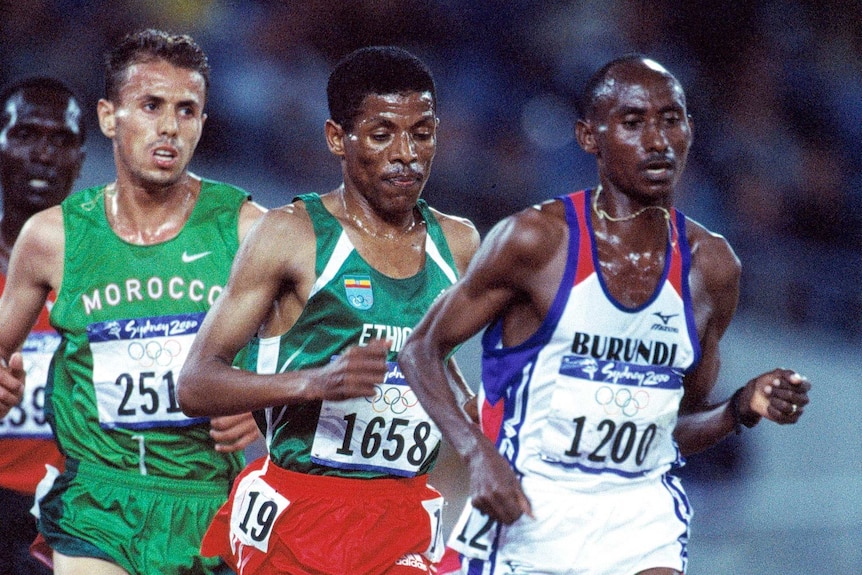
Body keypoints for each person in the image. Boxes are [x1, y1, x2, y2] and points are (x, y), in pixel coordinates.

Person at [398, 54, 812, 575]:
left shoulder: (713, 268)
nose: (658, 140)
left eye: (671, 119)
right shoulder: (537, 240)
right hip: (530, 509)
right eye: (634, 122)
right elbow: (420, 350)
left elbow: (673, 428)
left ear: (690, 130)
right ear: (589, 136)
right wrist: (477, 455)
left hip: (640, 515)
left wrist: (742, 407)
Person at [177, 45, 480, 575]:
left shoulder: (458, 243)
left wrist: (469, 410)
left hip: (405, 512)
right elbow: (196, 383)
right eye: (383, 134)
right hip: (302, 512)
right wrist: (316, 383)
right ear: (338, 138)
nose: (406, 153)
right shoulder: (291, 235)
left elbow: (436, 357)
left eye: (423, 133)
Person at [0, 29, 265, 575]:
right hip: (96, 499)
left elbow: (321, 347)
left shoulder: (249, 229)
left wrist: (265, 407)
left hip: (208, 498)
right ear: (108, 117)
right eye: (150, 106)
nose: (169, 126)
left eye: (186, 110)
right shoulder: (53, 237)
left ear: (202, 124)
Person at [0, 77, 85, 575]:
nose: (43, 155)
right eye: (27, 134)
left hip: (77, 503)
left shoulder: (112, 268)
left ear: (81, 155)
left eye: (61, 140)